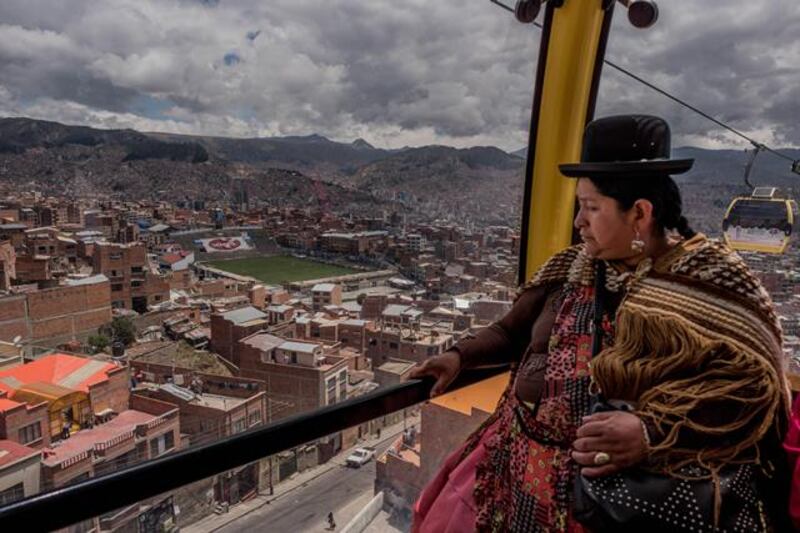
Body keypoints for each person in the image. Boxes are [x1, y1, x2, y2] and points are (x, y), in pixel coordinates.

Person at [410, 115, 791, 532]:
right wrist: (458, 357)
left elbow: (753, 393)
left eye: (591, 208)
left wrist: (650, 434)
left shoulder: (713, 284)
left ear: (640, 213)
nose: (579, 221)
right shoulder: (571, 268)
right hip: (518, 479)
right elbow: (510, 332)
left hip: (614, 507)